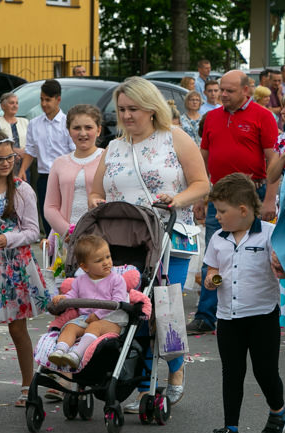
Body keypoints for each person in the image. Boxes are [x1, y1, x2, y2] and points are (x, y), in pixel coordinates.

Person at [89, 76, 209, 411]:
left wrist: (178, 198)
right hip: (124, 241)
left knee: (164, 309)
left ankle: (174, 369)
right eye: (122, 109)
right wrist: (97, 203)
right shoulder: (114, 146)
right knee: (133, 310)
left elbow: (202, 184)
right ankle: (142, 384)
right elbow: (97, 190)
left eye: (134, 109)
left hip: (170, 236)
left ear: (151, 108)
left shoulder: (175, 138)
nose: (126, 116)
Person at [189, 70, 278, 337]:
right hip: (219, 196)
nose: (223, 95)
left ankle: (255, 313)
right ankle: (207, 315)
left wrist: (270, 199)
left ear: (246, 91)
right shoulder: (213, 117)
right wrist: (200, 198)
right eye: (221, 90)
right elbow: (203, 160)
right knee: (213, 256)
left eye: (229, 91)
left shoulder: (263, 117)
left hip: (254, 195)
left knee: (258, 256)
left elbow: (274, 161)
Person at [199, 173, 284, 433]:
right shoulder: (218, 239)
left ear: (243, 210)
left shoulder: (270, 235)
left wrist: (280, 266)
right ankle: (231, 427)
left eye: (222, 211)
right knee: (232, 372)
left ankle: (278, 412)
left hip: (262, 317)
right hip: (228, 318)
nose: (218, 216)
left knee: (265, 371)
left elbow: (281, 268)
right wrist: (211, 278)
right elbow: (211, 269)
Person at [0, 131, 51, 409]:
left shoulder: (22, 189)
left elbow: (33, 231)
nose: (6, 162)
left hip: (15, 265)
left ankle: (28, 384)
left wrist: (9, 238)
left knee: (18, 329)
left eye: (10, 157)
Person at [47, 236, 129, 369]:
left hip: (111, 319)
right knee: (70, 327)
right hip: (85, 318)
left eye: (108, 257)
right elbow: (73, 295)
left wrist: (98, 314)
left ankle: (76, 355)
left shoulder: (117, 280)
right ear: (84, 266)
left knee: (95, 326)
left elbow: (117, 301)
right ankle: (60, 351)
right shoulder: (80, 280)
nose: (106, 262)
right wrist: (64, 298)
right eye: (99, 260)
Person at [20, 79, 76, 236]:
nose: (44, 104)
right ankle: (52, 257)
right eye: (41, 99)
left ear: (58, 99)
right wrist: (22, 170)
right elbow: (30, 150)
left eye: (48, 100)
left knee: (65, 218)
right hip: (45, 177)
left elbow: (73, 151)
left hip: (65, 177)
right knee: (48, 218)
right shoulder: (34, 124)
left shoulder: (67, 123)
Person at [44, 104, 104, 238]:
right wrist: (69, 232)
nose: (83, 133)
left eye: (88, 127)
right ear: (69, 131)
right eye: (77, 128)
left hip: (100, 238)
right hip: (67, 238)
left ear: (98, 130)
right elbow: (50, 207)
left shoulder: (108, 159)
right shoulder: (59, 163)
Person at [0, 92, 29, 176]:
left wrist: (23, 152)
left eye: (16, 103)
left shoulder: (25, 122)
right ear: (3, 106)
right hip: (5, 164)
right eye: (11, 103)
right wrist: (14, 151)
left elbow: (31, 142)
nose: (15, 105)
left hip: (24, 164)